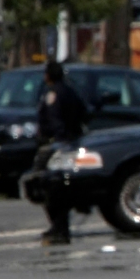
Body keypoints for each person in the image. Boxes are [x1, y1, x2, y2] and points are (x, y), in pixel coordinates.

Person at [35, 61, 88, 245]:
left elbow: (53, 118)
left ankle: (59, 227)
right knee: (59, 189)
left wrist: (57, 140)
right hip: (71, 143)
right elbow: (84, 112)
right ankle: (60, 227)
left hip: (55, 146)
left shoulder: (53, 94)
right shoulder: (70, 91)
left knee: (47, 187)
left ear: (48, 75)